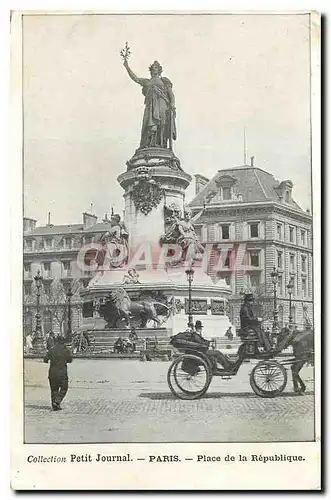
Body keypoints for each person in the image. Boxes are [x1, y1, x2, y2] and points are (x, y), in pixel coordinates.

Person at [123, 59, 177, 149]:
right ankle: (150, 143)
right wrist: (127, 67)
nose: (154, 69)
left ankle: (162, 145)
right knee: (149, 124)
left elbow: (171, 95)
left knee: (162, 124)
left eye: (156, 67)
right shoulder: (147, 82)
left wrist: (173, 105)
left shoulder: (164, 81)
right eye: (152, 68)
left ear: (159, 70)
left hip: (162, 105)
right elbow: (135, 78)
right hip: (150, 107)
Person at [43, 336, 73, 411]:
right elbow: (70, 360)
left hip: (52, 373)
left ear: (56, 342)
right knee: (64, 388)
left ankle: (55, 406)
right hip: (62, 373)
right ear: (63, 342)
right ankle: (57, 401)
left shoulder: (52, 350)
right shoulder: (66, 350)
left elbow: (45, 359)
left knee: (54, 390)